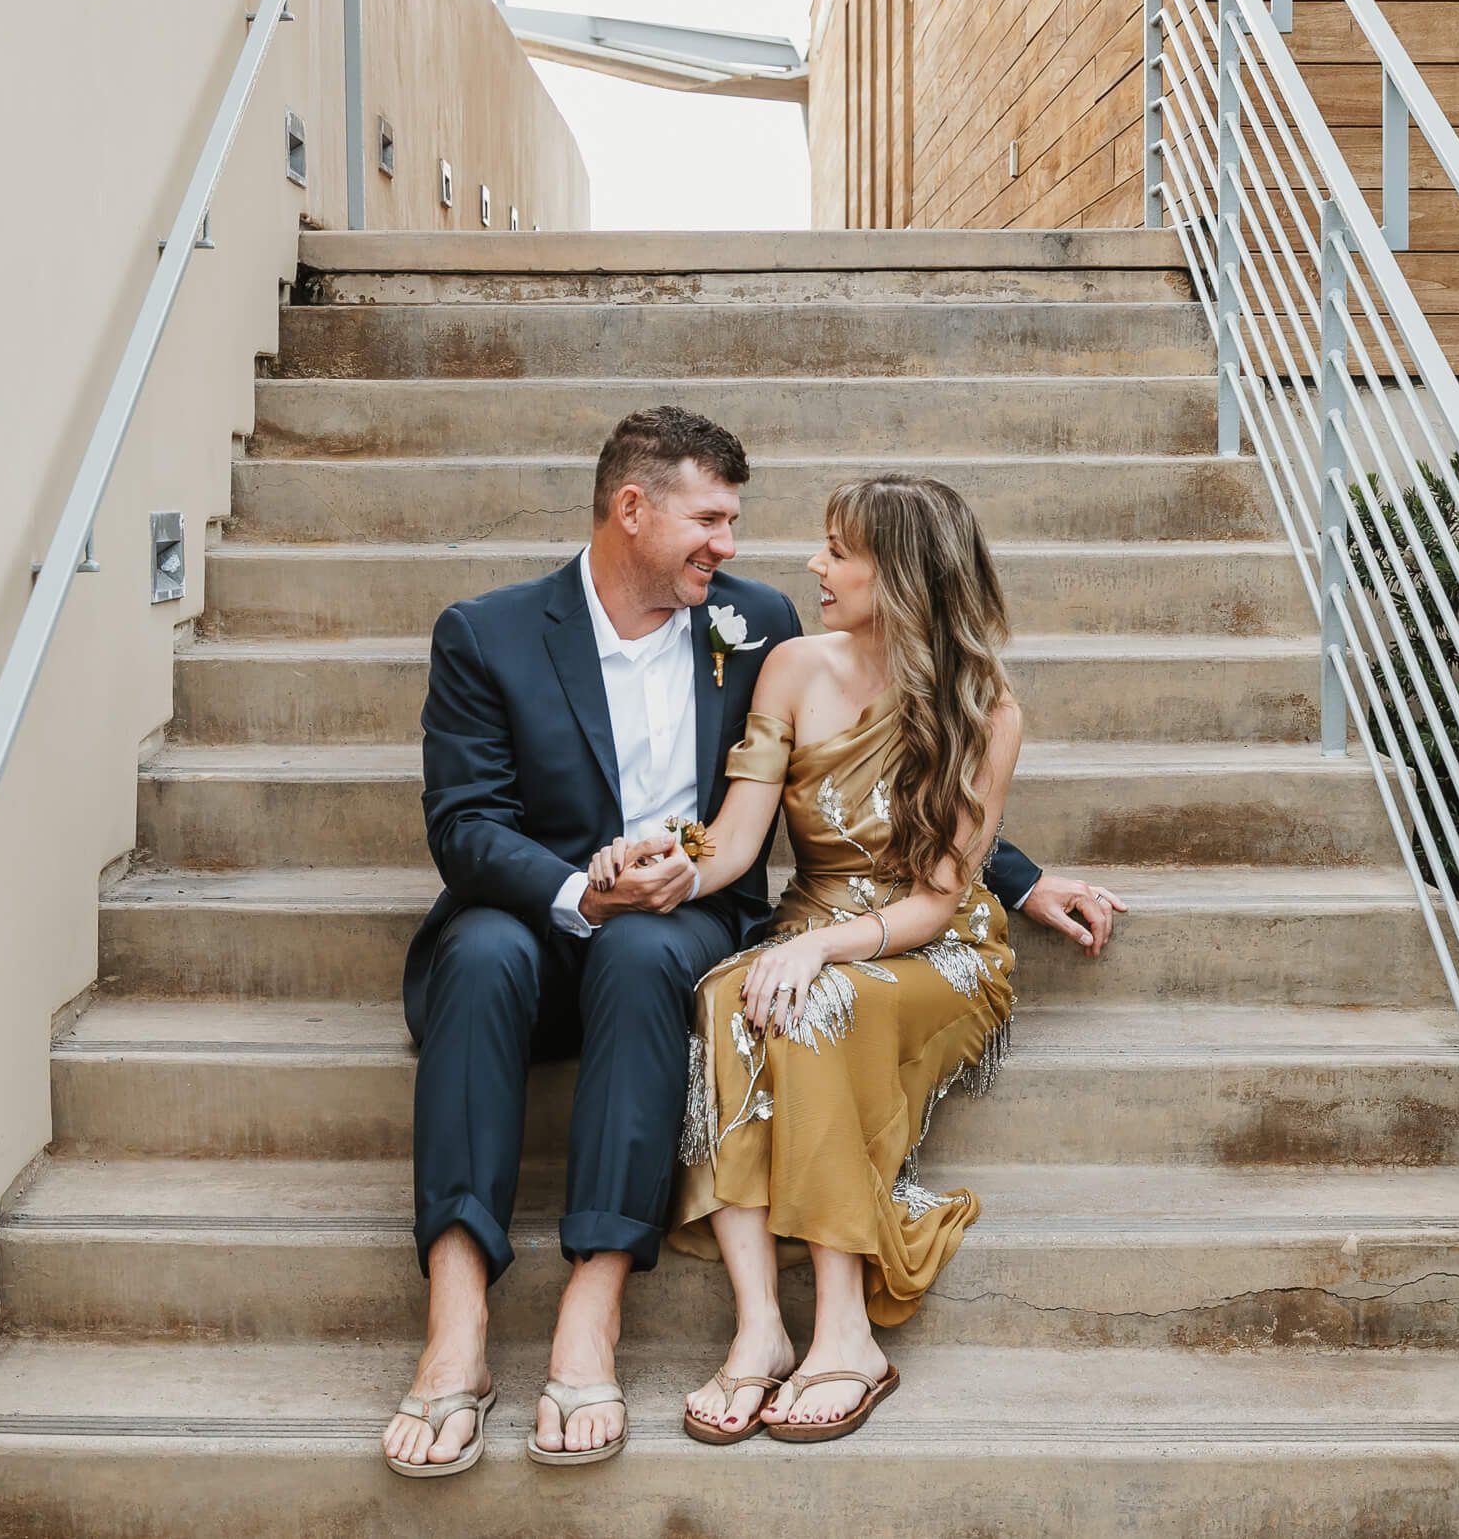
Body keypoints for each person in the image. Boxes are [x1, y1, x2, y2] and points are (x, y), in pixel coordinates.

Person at [383, 412, 1123, 1476]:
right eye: (711, 519)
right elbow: (463, 826)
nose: (732, 544)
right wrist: (584, 891)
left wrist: (1022, 877)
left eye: (734, 521)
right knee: (482, 955)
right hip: (541, 914)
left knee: (652, 960)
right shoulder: (486, 633)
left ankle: (592, 1312)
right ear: (632, 509)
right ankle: (454, 1327)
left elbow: (901, 777)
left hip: (688, 924)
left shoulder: (753, 621)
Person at [589, 473, 1023, 1447]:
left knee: (817, 1002)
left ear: (900, 573)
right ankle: (759, 1327)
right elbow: (735, 839)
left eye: (839, 550)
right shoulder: (789, 667)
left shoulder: (985, 709)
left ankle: (846, 1332)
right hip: (814, 923)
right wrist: (671, 863)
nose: (814, 565)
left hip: (934, 945)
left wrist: (820, 946)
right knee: (727, 995)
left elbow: (936, 899)